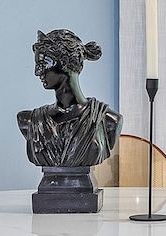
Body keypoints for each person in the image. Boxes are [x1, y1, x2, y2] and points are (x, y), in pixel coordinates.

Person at [17, 29, 122, 168]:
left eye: (43, 64)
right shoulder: (29, 120)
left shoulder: (109, 120)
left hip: (83, 186)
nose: (37, 72)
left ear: (64, 63)